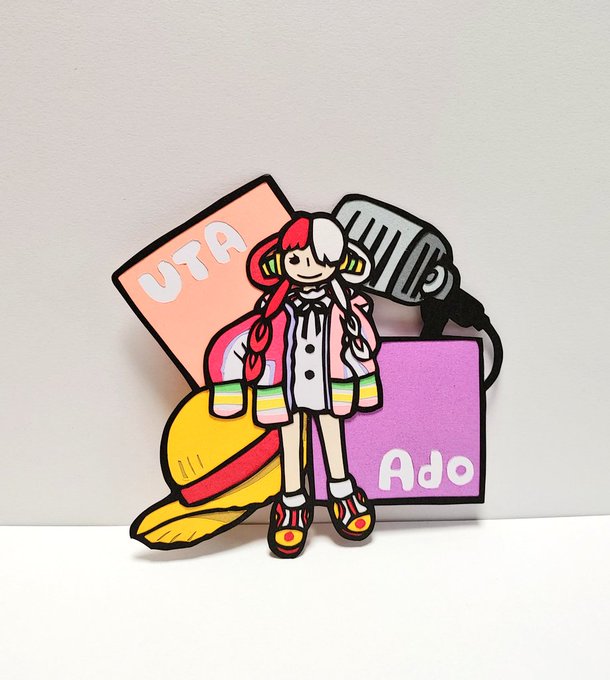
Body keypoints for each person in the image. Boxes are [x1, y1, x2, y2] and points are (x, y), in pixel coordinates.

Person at [205, 212, 382, 557]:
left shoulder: (344, 307)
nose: (307, 268)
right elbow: (235, 342)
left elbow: (366, 345)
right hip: (285, 388)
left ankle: (342, 491)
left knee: (333, 434)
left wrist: (358, 342)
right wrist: (231, 387)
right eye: (296, 260)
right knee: (290, 440)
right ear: (281, 263)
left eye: (318, 260)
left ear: (337, 262)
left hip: (330, 385)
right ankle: (292, 500)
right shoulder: (272, 310)